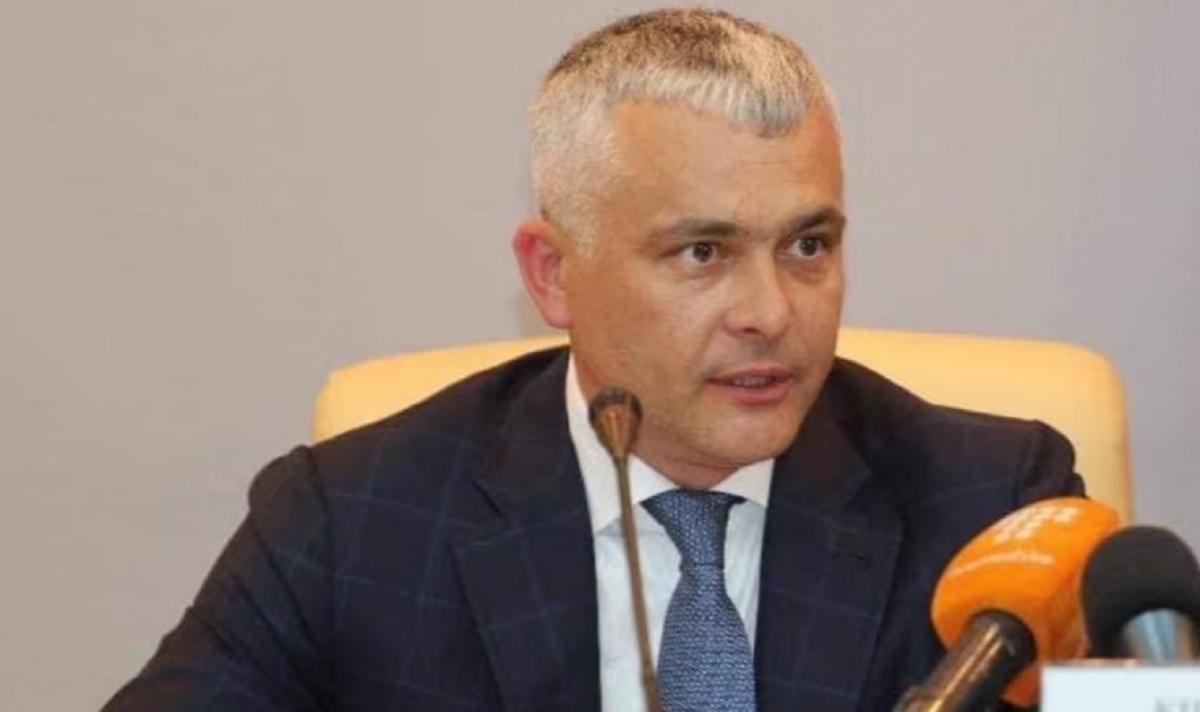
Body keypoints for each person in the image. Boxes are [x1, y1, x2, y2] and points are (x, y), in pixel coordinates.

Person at [104, 8, 1082, 712]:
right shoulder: (356, 519)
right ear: (554, 274)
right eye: (703, 252)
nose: (771, 313)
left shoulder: (992, 506)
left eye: (808, 245)